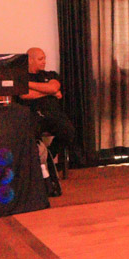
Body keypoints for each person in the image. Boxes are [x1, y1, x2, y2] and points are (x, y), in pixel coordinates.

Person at [19, 47, 77, 196]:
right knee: (31, 136)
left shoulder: (50, 74)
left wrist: (30, 85)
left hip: (53, 115)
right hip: (33, 115)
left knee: (68, 131)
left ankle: (50, 156)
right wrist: (49, 92)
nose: (44, 61)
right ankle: (38, 169)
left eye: (44, 58)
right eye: (40, 59)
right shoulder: (21, 76)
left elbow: (53, 87)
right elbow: (24, 95)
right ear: (30, 60)